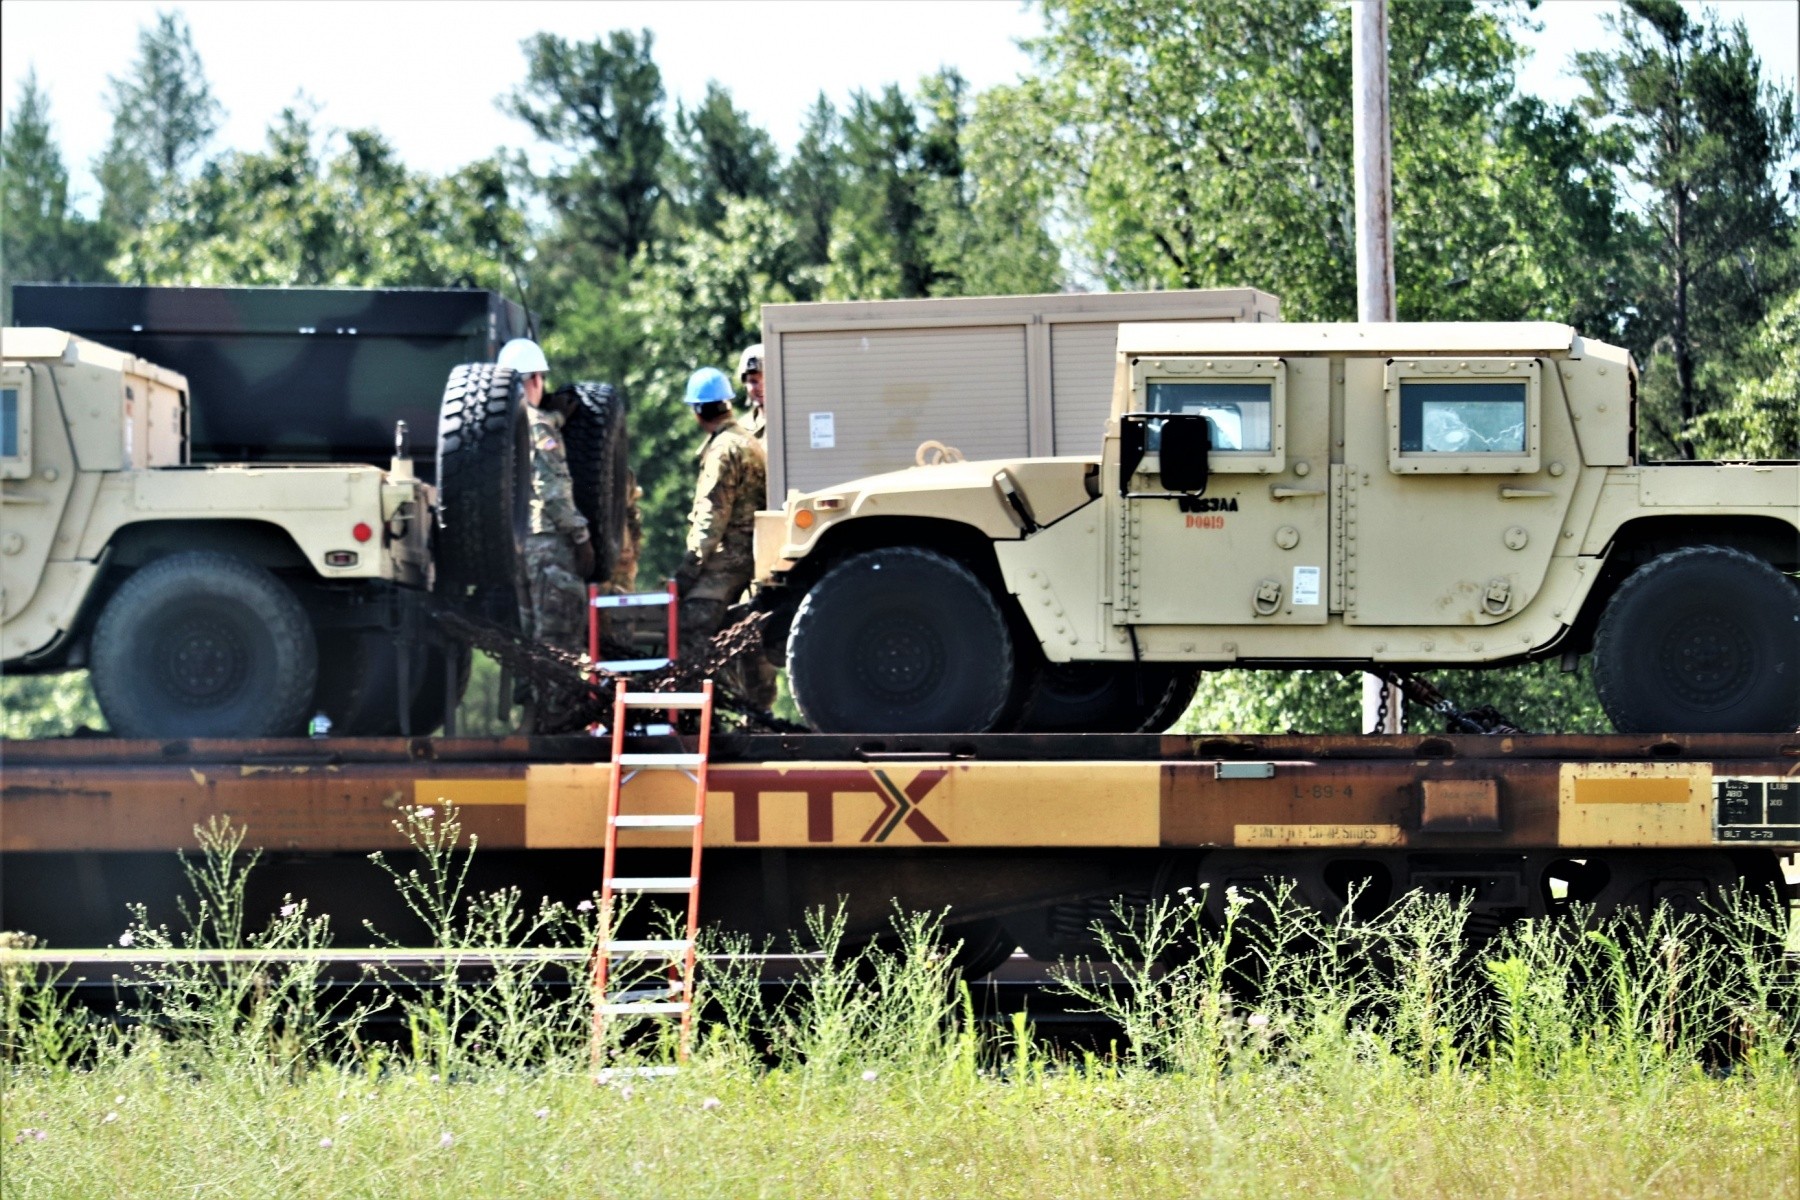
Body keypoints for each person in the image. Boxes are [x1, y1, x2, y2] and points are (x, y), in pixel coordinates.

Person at [502, 338, 593, 723]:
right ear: (532, 380)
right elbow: (553, 491)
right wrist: (580, 535)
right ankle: (559, 724)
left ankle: (534, 719)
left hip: (516, 545)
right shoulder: (537, 426)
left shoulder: (500, 429)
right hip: (546, 541)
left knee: (530, 638)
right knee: (559, 638)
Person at [672, 367, 768, 702]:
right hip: (754, 555)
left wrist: (688, 571)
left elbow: (711, 518)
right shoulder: (750, 441)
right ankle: (748, 708)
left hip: (729, 558)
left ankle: (705, 710)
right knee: (741, 638)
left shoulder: (723, 450)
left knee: (691, 627)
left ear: (698, 411)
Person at [736, 342, 766, 442]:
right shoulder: (740, 429)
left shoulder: (791, 421)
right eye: (753, 381)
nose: (760, 387)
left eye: (766, 379)